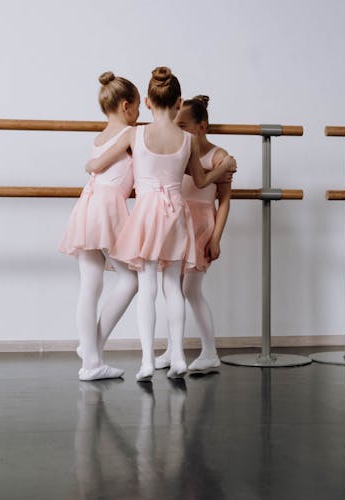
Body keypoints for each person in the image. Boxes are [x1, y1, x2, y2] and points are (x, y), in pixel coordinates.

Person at [87, 67, 234, 381]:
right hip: (176, 213)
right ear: (179, 102)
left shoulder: (134, 133)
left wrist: (90, 164)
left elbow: (98, 163)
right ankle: (178, 356)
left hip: (147, 215)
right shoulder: (189, 139)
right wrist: (223, 168)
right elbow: (201, 179)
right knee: (173, 288)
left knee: (148, 288)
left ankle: (146, 362)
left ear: (149, 103)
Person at [59, 71, 140, 381]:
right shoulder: (130, 135)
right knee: (130, 281)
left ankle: (91, 359)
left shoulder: (99, 137)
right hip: (106, 207)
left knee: (90, 286)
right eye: (137, 110)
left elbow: (95, 164)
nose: (138, 116)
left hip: (88, 205)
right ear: (125, 106)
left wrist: (92, 165)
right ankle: (91, 352)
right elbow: (99, 165)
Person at [156, 96, 235, 372]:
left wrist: (216, 238)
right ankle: (172, 349)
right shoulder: (180, 150)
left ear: (202, 127)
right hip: (179, 222)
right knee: (172, 288)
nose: (178, 130)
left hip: (202, 225)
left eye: (184, 126)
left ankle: (210, 352)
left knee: (191, 288)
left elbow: (224, 200)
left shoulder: (218, 157)